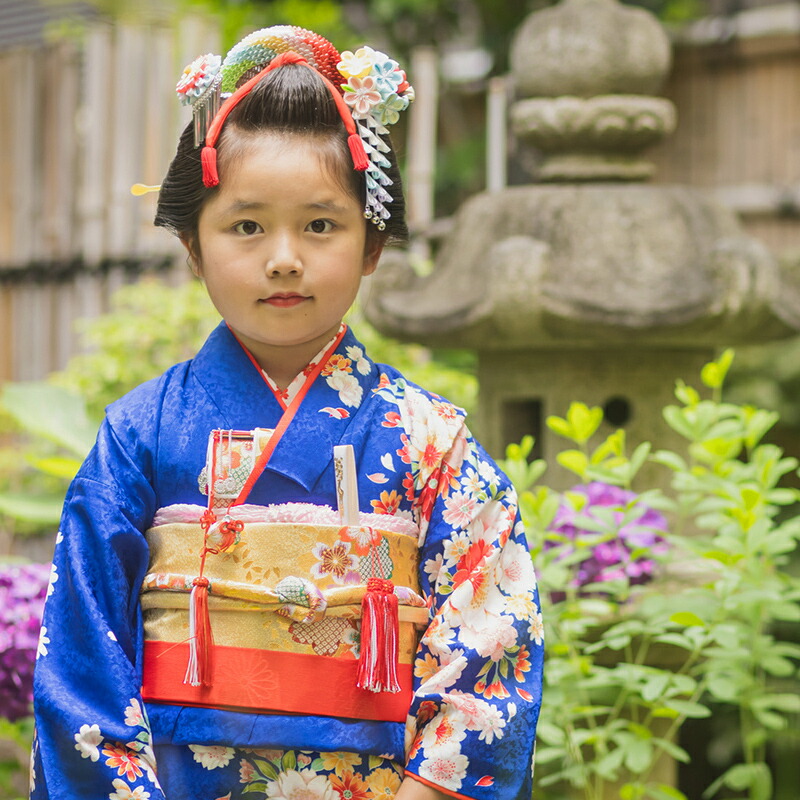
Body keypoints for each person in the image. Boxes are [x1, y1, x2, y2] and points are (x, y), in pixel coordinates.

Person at [31, 25, 543, 800]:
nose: (283, 257)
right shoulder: (138, 437)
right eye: (245, 226)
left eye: (320, 224)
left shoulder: (431, 443)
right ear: (193, 246)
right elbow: (82, 669)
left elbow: (490, 649)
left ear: (371, 244)